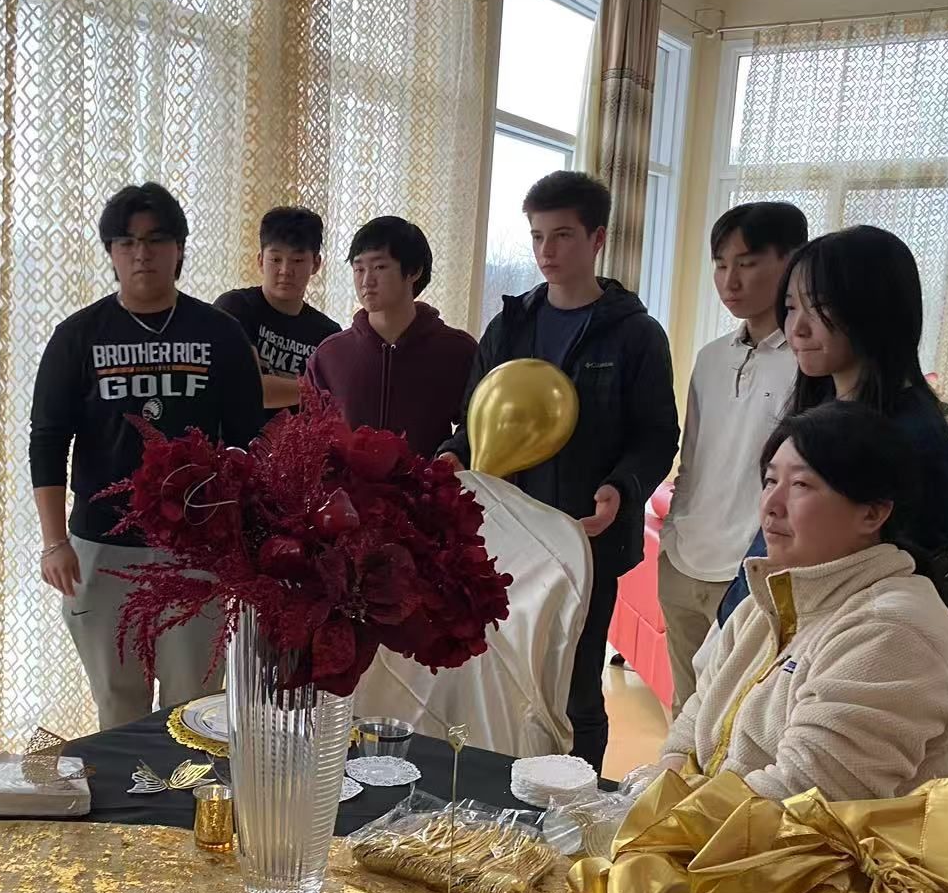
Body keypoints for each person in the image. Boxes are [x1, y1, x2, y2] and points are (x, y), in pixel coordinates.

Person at [439, 171, 679, 770]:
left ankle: (577, 804)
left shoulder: (636, 336)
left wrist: (619, 490)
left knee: (574, 683)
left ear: (597, 239)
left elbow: (656, 435)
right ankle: (499, 787)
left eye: (563, 235)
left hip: (585, 542)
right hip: (503, 539)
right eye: (538, 236)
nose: (547, 251)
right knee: (497, 672)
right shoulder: (510, 326)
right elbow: (478, 418)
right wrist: (452, 455)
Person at [31, 182, 263, 729]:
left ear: (179, 248)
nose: (142, 253)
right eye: (127, 241)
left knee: (194, 706)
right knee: (118, 703)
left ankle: (185, 811)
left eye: (157, 240)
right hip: (102, 547)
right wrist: (53, 542)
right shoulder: (77, 336)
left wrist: (242, 536)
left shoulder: (220, 334)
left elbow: (249, 439)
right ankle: (126, 814)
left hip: (197, 548)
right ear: (111, 252)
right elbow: (47, 439)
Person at [662, 402, 948, 801]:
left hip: (824, 856)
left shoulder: (891, 631)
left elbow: (801, 801)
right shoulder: (766, 602)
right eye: (770, 481)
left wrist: (666, 823)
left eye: (802, 485)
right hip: (723, 838)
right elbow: (691, 725)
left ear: (872, 514)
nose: (772, 505)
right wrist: (657, 793)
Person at [714, 225, 948, 625]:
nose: (795, 328)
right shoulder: (819, 415)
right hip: (762, 638)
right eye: (791, 306)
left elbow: (913, 587)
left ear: (876, 309)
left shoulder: (919, 440)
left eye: (818, 307)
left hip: (826, 657)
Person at [657, 203, 807, 716]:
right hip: (683, 557)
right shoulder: (712, 355)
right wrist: (674, 532)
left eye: (746, 262)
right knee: (685, 711)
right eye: (721, 264)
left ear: (790, 262)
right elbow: (693, 457)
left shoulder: (810, 363)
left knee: (741, 720)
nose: (730, 279)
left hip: (752, 569)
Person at [304, 215, 476, 457]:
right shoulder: (330, 355)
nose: (366, 281)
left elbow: (477, 426)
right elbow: (310, 432)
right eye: (358, 268)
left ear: (414, 271)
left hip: (426, 492)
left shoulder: (458, 351)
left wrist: (454, 455)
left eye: (379, 267)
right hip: (347, 493)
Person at [214, 206, 340, 415]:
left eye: (298, 260)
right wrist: (319, 389)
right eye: (275, 259)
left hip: (300, 446)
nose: (285, 271)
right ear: (260, 261)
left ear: (316, 264)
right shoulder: (234, 307)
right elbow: (251, 389)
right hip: (236, 446)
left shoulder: (328, 333)